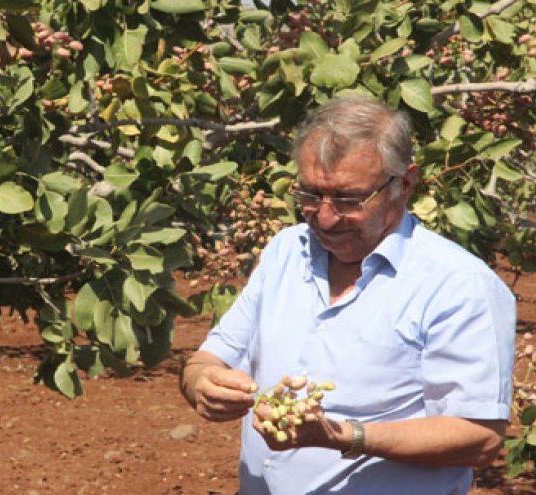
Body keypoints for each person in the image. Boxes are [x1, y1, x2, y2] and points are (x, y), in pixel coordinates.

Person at [179, 96, 516, 494]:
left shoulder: (457, 284)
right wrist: (202, 382)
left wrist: (345, 437)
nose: (324, 217)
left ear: (404, 184)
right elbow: (207, 358)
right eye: (309, 195)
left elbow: (479, 436)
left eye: (348, 199)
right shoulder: (286, 252)